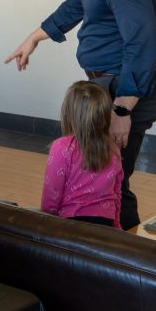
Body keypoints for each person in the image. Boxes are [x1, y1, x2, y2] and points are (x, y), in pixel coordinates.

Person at [5, 0, 156, 229]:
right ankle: (117, 253)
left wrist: (122, 109)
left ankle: (125, 258)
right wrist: (36, 35)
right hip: (109, 85)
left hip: (123, 89)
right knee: (108, 176)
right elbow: (77, 4)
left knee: (112, 179)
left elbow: (143, 42)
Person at [41, 81, 123, 228]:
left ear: (68, 113)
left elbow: (51, 194)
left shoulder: (61, 147)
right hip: (106, 224)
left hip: (71, 225)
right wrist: (117, 227)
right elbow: (116, 193)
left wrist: (46, 224)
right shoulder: (113, 148)